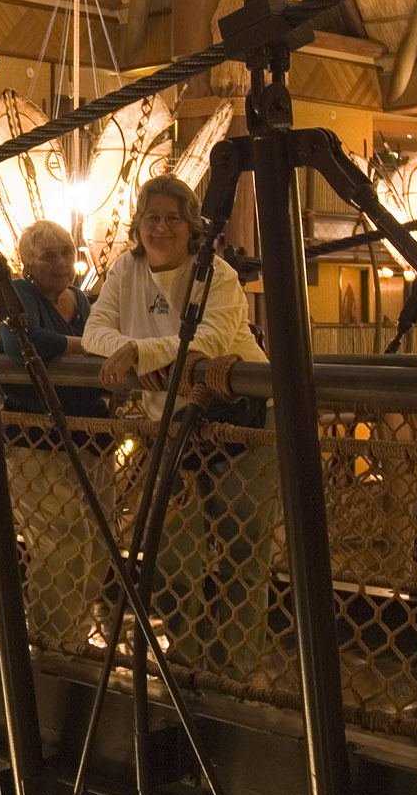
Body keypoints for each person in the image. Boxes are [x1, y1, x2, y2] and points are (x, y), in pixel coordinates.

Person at [84, 175, 277, 677]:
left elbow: (210, 341)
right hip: (172, 429)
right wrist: (129, 349)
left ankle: (231, 671)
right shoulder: (126, 269)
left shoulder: (218, 274)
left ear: (191, 226)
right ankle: (191, 661)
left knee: (242, 554)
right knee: (171, 559)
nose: (161, 227)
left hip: (241, 424)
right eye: (152, 217)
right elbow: (93, 332)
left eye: (173, 217)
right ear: (139, 223)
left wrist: (140, 350)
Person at [0, 220, 113, 651]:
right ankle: (53, 643)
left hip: (91, 434)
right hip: (37, 436)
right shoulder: (18, 294)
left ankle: (75, 636)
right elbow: (18, 342)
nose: (61, 263)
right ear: (28, 261)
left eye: (66, 252)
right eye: (49, 255)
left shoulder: (79, 299)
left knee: (99, 540)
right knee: (61, 538)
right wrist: (86, 344)